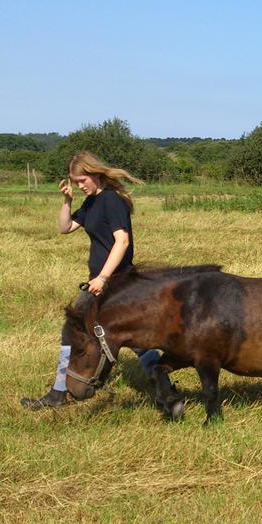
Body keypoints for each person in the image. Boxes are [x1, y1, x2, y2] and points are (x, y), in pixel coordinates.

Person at [20, 151, 161, 409]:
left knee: (138, 341)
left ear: (95, 173)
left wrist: (104, 277)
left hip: (117, 283)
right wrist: (66, 200)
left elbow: (123, 241)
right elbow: (65, 228)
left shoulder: (112, 201)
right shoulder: (91, 202)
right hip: (98, 282)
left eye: (82, 180)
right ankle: (58, 392)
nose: (80, 186)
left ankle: (165, 392)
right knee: (72, 332)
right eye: (76, 183)